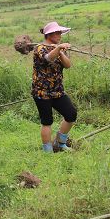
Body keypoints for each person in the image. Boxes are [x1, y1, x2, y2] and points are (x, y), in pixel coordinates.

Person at [32, 21, 77, 153]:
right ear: (49, 34)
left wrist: (61, 52)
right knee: (47, 121)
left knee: (71, 114)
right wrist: (57, 49)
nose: (60, 36)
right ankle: (47, 150)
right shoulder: (39, 48)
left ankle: (60, 143)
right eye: (58, 33)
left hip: (57, 91)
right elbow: (48, 58)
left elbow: (68, 65)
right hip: (42, 92)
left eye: (60, 33)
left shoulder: (57, 49)